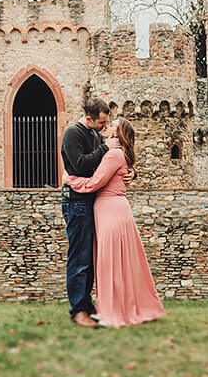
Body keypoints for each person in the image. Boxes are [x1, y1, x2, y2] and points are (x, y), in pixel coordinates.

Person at [65, 118, 166, 326]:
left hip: (109, 210)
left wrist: (70, 179)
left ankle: (113, 310)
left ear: (117, 134)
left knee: (109, 262)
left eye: (112, 124)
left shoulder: (112, 154)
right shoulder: (113, 152)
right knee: (123, 263)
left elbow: (94, 183)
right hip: (115, 209)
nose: (107, 125)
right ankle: (127, 306)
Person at [59, 97, 111, 329]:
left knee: (89, 259)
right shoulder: (73, 133)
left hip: (91, 201)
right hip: (76, 203)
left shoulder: (95, 134)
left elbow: (102, 166)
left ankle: (88, 306)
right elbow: (80, 165)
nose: (105, 127)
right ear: (89, 119)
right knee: (79, 258)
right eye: (101, 123)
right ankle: (78, 310)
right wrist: (105, 147)